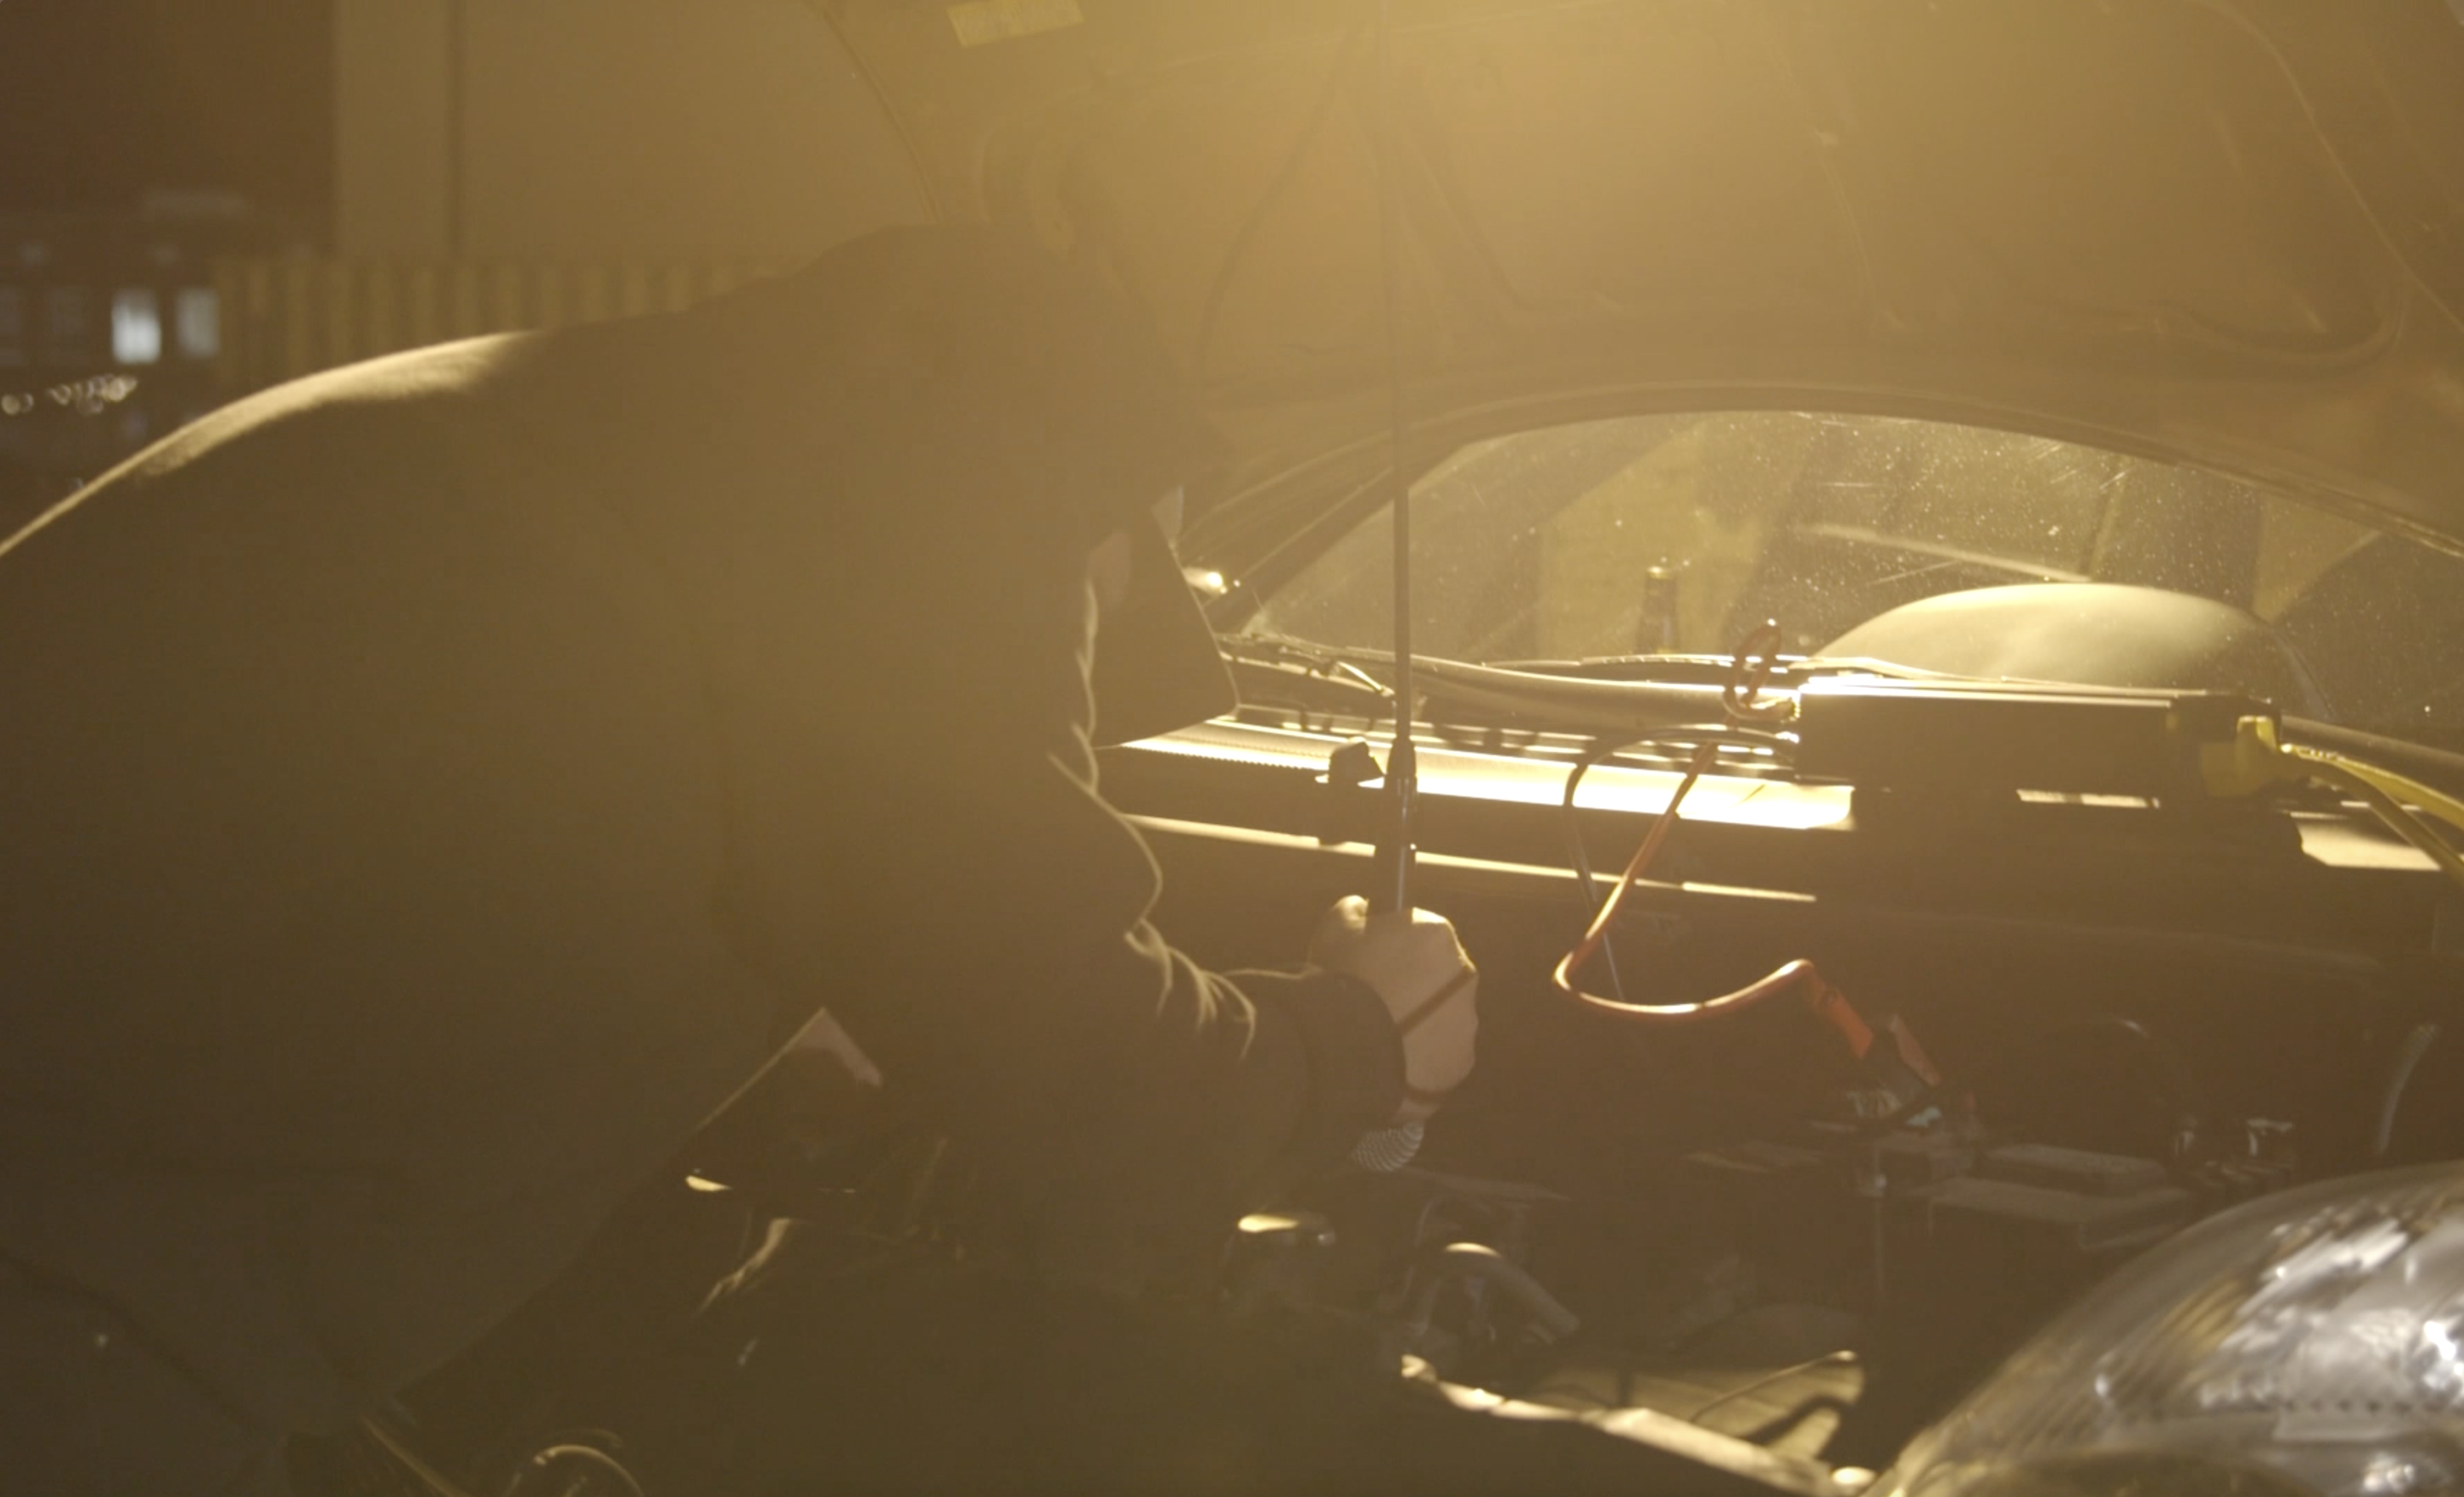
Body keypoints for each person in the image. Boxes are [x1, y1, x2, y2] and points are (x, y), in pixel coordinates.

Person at [0, 227, 1482, 1494]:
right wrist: (1363, 1045)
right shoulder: (934, 487)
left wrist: (775, 1049)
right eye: (1115, 568)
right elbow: (1083, 1067)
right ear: (1079, 480)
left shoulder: (584, 443)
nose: (1094, 623)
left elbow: (396, 886)